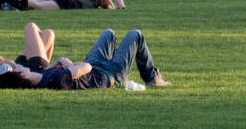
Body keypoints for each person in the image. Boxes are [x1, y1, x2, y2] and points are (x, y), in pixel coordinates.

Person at [11, 21, 170, 91]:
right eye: (21, 71)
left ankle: (119, 61)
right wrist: (65, 62)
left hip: (96, 66)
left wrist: (54, 64)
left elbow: (15, 65)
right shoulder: (53, 80)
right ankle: (152, 78)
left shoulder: (39, 75)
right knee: (136, 34)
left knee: (108, 33)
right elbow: (84, 67)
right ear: (25, 77)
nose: (21, 68)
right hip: (110, 75)